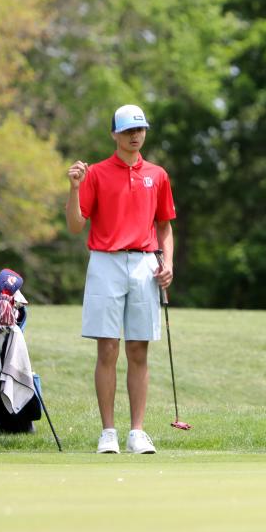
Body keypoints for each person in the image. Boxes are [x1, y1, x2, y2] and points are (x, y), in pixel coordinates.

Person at [65, 104, 175, 454]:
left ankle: (137, 432)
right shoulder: (95, 174)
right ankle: (108, 431)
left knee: (138, 348)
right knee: (108, 348)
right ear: (114, 134)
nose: (135, 135)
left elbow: (164, 226)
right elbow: (75, 225)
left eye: (140, 129)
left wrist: (167, 262)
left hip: (144, 264)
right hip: (105, 263)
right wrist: (73, 188)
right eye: (128, 130)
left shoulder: (157, 174)